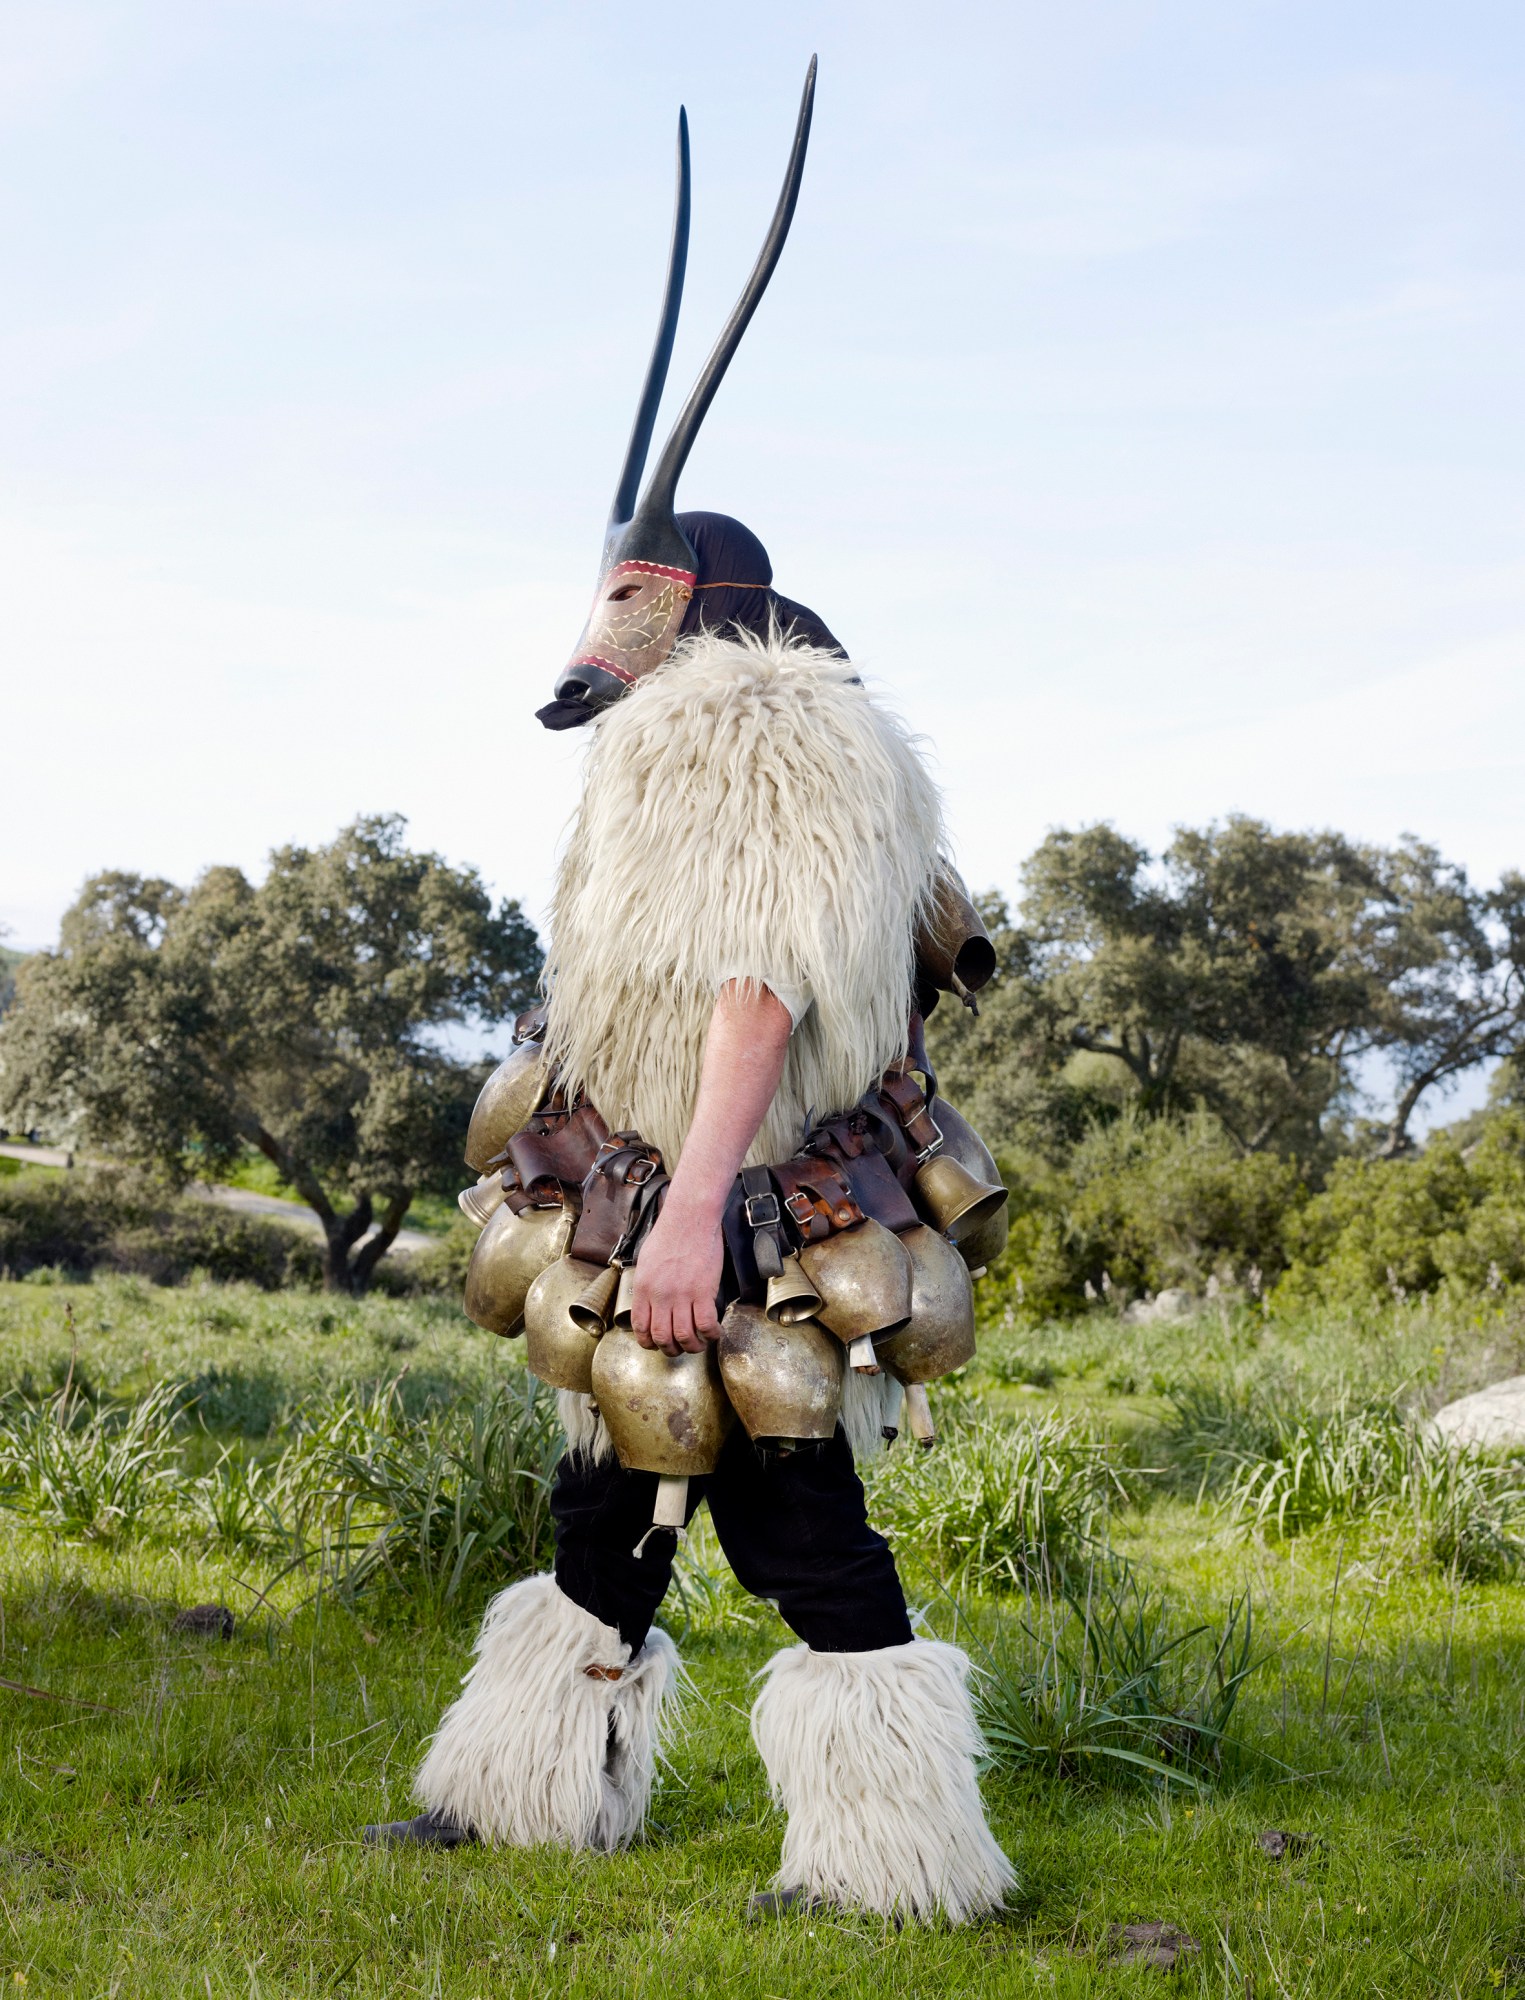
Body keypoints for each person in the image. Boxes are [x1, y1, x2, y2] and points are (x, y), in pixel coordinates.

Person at [363, 62, 1015, 1925]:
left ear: (692, 604)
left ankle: (892, 1860)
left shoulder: (750, 729)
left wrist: (695, 1208)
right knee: (609, 1491)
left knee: (793, 1512)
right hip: (659, 1173)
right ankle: (524, 1793)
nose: (606, 631)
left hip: (739, 1190)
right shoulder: (709, 732)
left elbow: (755, 992)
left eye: (634, 597)